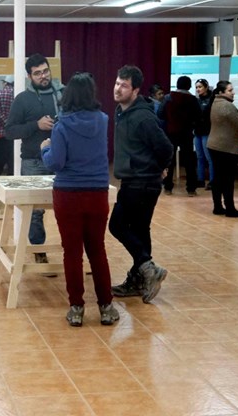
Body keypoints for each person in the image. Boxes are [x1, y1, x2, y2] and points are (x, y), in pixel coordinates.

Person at [40, 72, 117, 326]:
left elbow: (56, 162)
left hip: (68, 194)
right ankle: (106, 307)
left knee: (72, 252)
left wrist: (45, 149)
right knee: (97, 250)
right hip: (97, 192)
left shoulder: (62, 125)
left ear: (69, 95)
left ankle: (76, 308)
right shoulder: (103, 120)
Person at [108, 66, 174, 304]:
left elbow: (165, 147)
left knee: (117, 225)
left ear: (135, 90)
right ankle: (138, 280)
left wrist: (161, 166)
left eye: (124, 85)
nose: (118, 89)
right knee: (139, 230)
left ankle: (148, 268)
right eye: (117, 83)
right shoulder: (122, 111)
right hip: (134, 179)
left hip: (142, 181)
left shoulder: (143, 117)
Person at [5, 54, 62, 267]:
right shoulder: (22, 99)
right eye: (37, 73)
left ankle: (72, 250)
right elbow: (10, 131)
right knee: (35, 212)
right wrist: (35, 125)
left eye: (45, 71)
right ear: (29, 76)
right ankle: (39, 251)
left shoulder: (63, 94)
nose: (43, 76)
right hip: (33, 162)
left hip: (62, 161)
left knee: (67, 207)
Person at [206, 81, 238, 218]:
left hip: (214, 145)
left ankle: (218, 206)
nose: (233, 92)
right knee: (228, 179)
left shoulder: (215, 102)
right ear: (221, 92)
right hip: (226, 147)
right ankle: (230, 208)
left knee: (218, 178)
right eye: (230, 90)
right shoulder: (227, 106)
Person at [159, 76, 202, 195]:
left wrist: (170, 120)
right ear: (189, 86)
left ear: (177, 85)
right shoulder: (193, 99)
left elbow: (160, 114)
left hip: (171, 132)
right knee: (189, 161)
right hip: (187, 133)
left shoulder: (168, 97)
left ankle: (168, 187)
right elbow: (198, 116)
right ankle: (191, 189)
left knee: (169, 160)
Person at [0, 76, 15, 176]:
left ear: (5, 83)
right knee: (12, 163)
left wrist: (6, 123)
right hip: (15, 135)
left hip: (0, 134)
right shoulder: (19, 94)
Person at [193, 78, 215, 189]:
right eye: (196, 87)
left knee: (209, 158)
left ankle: (212, 181)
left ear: (206, 87)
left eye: (200, 87)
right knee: (199, 157)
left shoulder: (212, 99)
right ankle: (200, 179)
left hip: (207, 131)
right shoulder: (196, 100)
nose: (198, 89)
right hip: (198, 132)